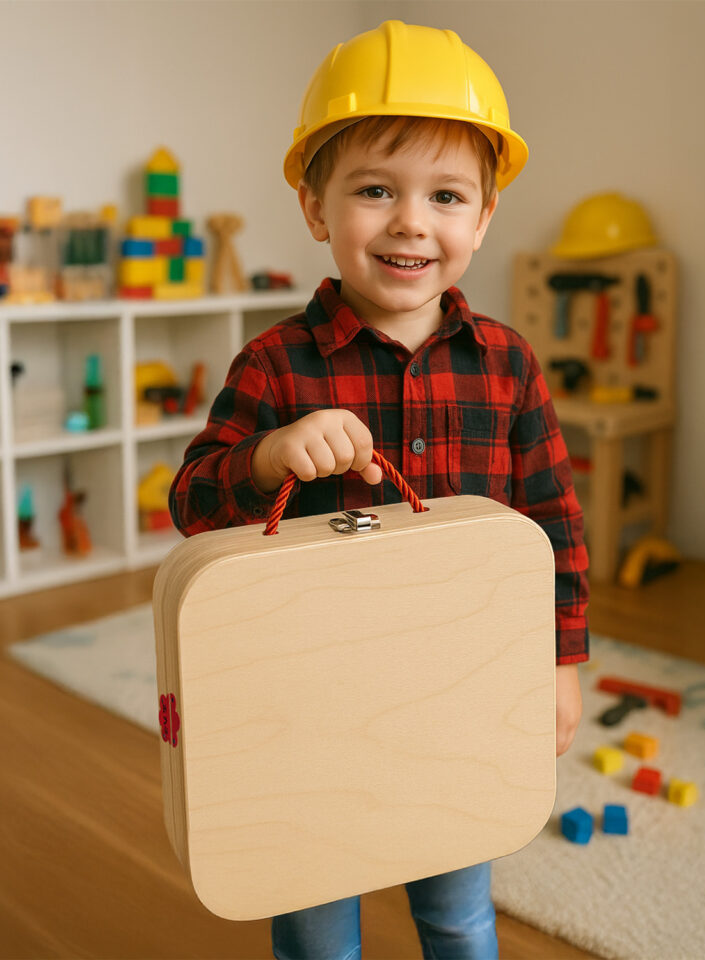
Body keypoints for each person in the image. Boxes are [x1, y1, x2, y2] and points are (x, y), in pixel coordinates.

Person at [169, 19, 589, 960]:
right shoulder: (273, 363)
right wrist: (271, 455)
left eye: (446, 195)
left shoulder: (509, 365)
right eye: (373, 190)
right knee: (315, 920)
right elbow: (192, 505)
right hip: (311, 701)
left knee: (457, 911)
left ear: (482, 219)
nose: (410, 221)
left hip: (461, 694)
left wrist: (560, 664)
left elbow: (553, 525)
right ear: (317, 207)